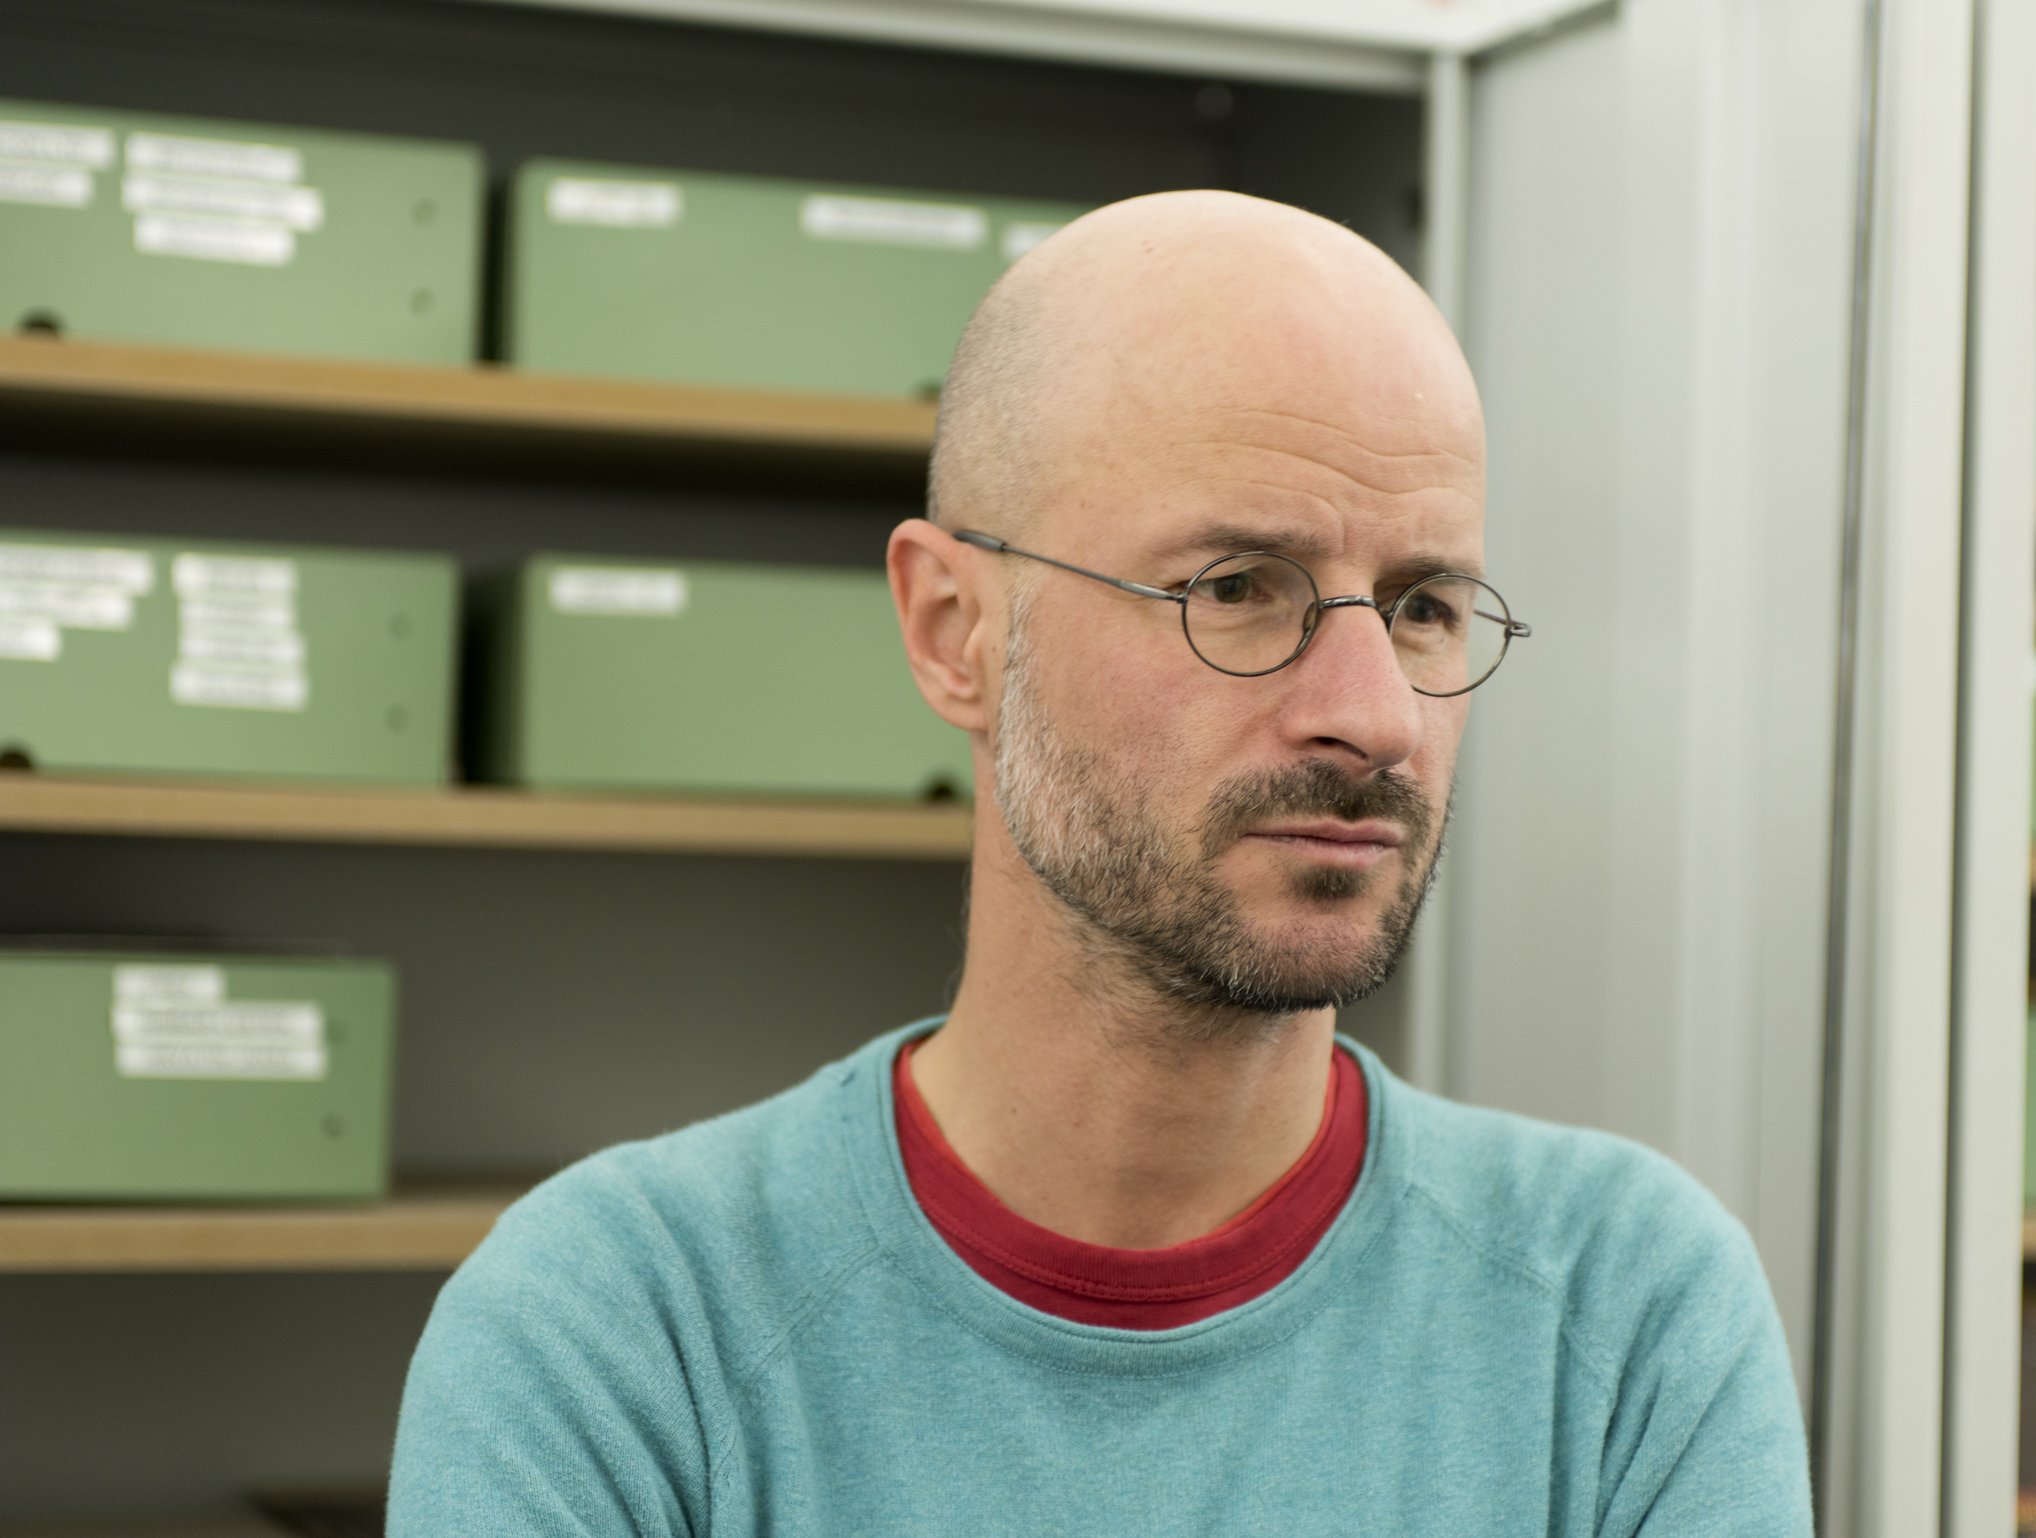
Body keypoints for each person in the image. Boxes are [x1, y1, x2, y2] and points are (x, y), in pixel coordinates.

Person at [388, 190, 1812, 1535]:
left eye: (1425, 605)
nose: (1377, 717)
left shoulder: (1623, 1317)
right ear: (954, 630)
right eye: (1236, 588)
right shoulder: (618, 1336)